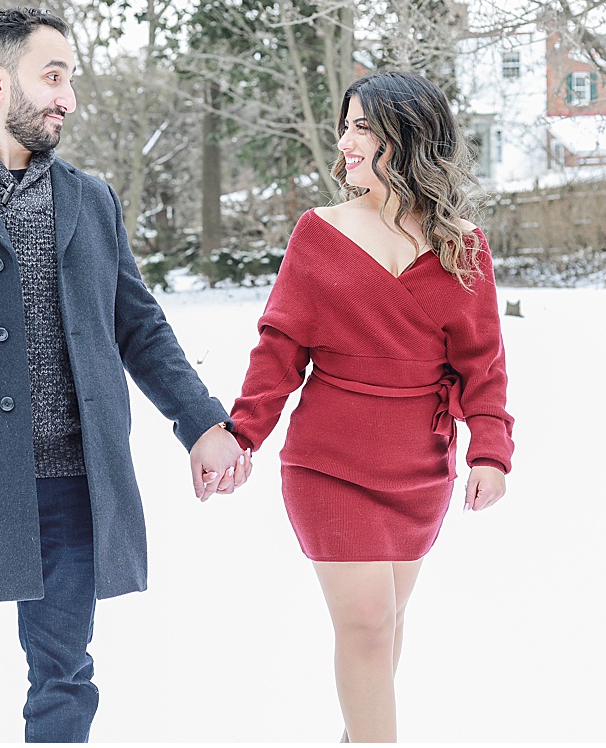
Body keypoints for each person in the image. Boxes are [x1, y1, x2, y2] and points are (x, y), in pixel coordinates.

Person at [0, 7, 251, 744]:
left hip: (72, 483)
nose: (68, 98)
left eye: (71, 79)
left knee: (64, 671)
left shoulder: (91, 200)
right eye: (53, 77)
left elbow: (139, 324)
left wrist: (203, 419)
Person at [228, 71, 514, 743]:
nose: (345, 140)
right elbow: (279, 349)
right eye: (346, 123)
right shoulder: (318, 232)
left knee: (383, 624)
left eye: (363, 126)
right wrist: (243, 433)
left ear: (407, 137)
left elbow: (484, 363)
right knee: (363, 624)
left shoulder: (461, 243)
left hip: (419, 470)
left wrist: (491, 451)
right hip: (329, 465)